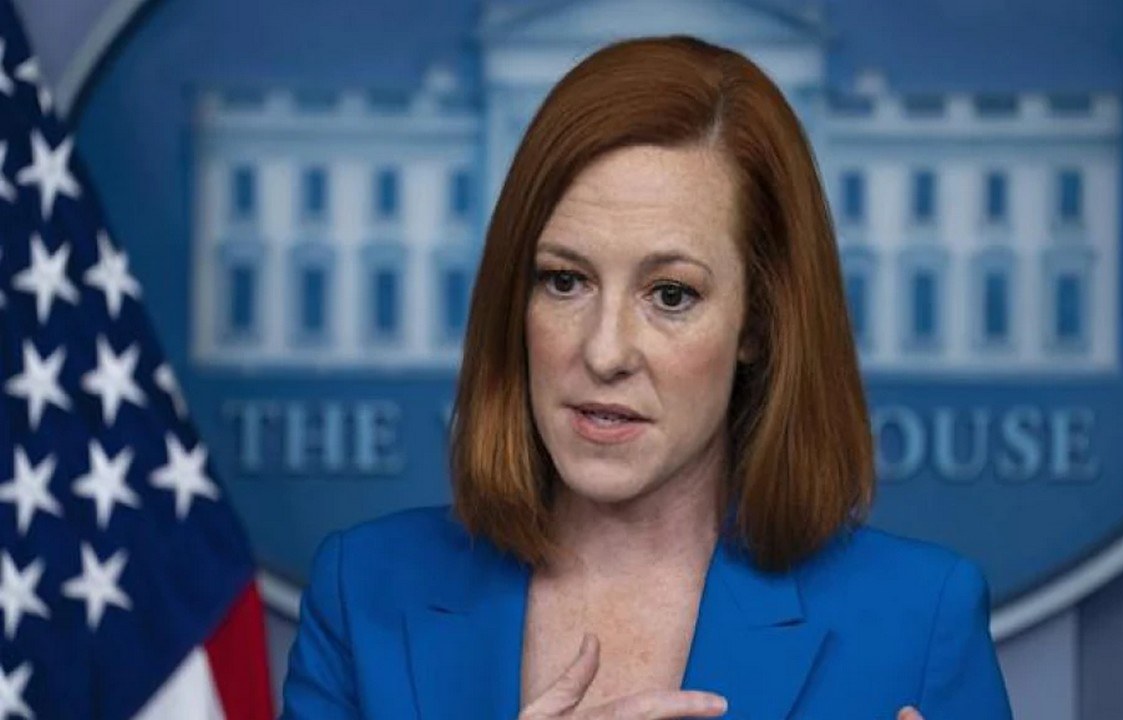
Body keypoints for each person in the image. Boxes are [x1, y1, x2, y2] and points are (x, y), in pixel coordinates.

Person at [280, 35, 1013, 719]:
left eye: (670, 295)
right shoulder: (364, 590)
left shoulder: (920, 623)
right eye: (564, 281)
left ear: (759, 323)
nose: (605, 352)